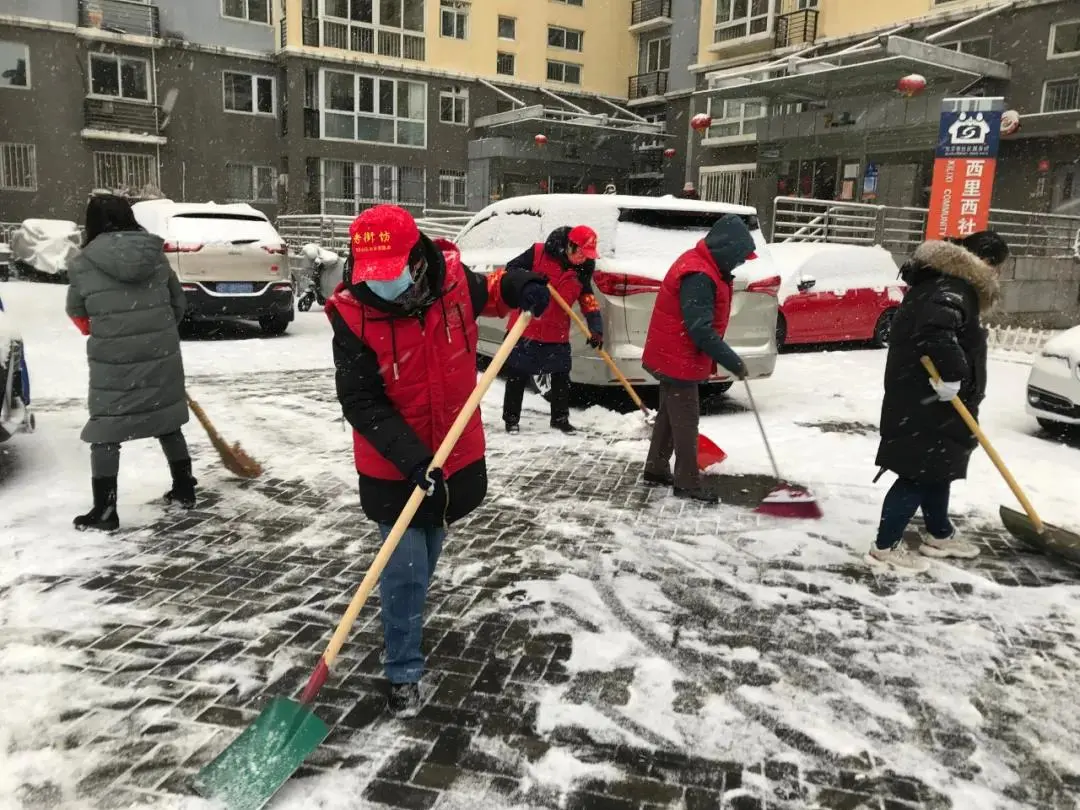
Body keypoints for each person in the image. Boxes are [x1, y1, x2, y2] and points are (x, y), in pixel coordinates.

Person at [325, 204, 549, 716]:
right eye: (370, 275)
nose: (380, 284)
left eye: (391, 272)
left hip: (454, 456)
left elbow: (490, 292)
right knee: (404, 567)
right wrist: (411, 458)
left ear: (417, 257)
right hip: (396, 465)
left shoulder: (451, 282)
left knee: (426, 552)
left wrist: (516, 287)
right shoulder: (353, 316)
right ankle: (403, 668)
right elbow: (361, 402)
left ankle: (403, 616)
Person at [870, 230, 1009, 573]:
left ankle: (939, 534)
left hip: (933, 399)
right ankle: (884, 547)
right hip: (926, 399)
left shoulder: (946, 283)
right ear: (985, 262)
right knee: (917, 472)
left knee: (938, 469)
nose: (998, 274)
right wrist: (954, 375)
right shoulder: (951, 287)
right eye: (998, 266)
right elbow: (936, 332)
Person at [66, 193, 196, 533]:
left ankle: (105, 510)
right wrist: (156, 331)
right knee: (168, 418)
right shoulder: (155, 256)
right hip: (160, 352)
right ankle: (184, 488)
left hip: (114, 361)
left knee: (106, 430)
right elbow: (178, 304)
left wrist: (109, 331)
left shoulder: (83, 262)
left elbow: (78, 314)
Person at [640, 214, 755, 503]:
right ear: (726, 250)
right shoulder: (700, 274)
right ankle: (688, 483)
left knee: (669, 415)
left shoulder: (703, 263)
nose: (741, 264)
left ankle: (655, 468)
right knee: (686, 423)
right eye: (739, 258)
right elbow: (700, 329)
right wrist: (733, 361)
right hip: (677, 357)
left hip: (672, 354)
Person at [501, 225, 604, 435]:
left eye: (588, 255)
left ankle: (560, 419)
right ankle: (511, 419)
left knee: (561, 376)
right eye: (581, 253)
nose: (583, 259)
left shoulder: (582, 271)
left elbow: (588, 300)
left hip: (556, 331)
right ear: (569, 245)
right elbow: (511, 270)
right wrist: (531, 278)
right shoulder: (538, 253)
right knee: (517, 375)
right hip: (526, 326)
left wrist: (596, 329)